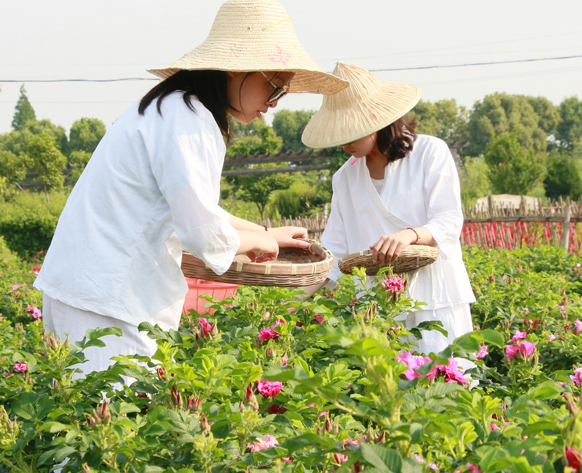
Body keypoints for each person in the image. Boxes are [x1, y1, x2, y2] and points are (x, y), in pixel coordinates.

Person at [33, 0, 348, 380]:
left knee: (93, 420)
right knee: (117, 428)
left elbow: (190, 208)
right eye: (275, 86)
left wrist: (265, 234)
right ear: (237, 67)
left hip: (91, 291)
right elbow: (202, 232)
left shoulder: (171, 107)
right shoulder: (191, 121)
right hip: (108, 304)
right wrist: (259, 244)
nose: (274, 103)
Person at [301, 63, 475, 355]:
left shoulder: (430, 152)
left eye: (351, 130)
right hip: (380, 308)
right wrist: (290, 302)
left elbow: (449, 220)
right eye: (339, 132)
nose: (344, 141)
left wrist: (409, 235)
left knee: (446, 385)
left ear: (376, 120)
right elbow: (334, 249)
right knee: (389, 393)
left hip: (435, 297)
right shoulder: (345, 177)